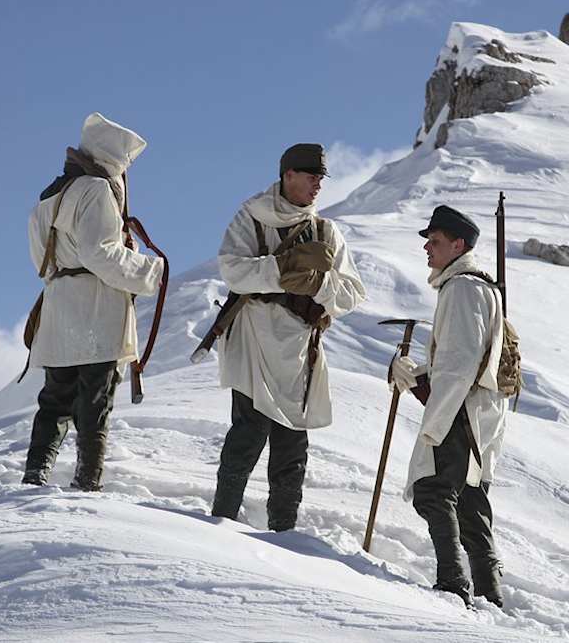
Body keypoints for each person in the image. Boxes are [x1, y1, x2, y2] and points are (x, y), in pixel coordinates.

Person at [210, 143, 367, 531]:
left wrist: (317, 281)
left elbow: (352, 294)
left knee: (292, 444)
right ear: (288, 176)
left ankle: (285, 532)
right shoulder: (252, 217)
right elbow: (233, 271)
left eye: (320, 179)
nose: (317, 185)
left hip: (299, 347)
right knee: (248, 432)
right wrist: (281, 269)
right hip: (253, 338)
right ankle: (221, 521)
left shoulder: (325, 231)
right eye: (311, 176)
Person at [21, 112, 164, 491]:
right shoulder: (96, 190)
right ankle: (88, 480)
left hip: (59, 303)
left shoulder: (49, 195)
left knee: (55, 397)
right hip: (95, 306)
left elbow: (42, 262)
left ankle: (35, 473)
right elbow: (100, 254)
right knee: (95, 398)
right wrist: (150, 270)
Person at [391, 204, 508, 607]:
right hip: (478, 409)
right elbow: (464, 358)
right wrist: (418, 373)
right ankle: (490, 594)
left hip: (460, 408)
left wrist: (434, 422)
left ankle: (452, 583)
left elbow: (458, 366)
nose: (428, 249)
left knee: (432, 490)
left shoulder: (461, 289)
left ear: (458, 244)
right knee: (471, 500)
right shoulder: (479, 287)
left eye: (435, 242)